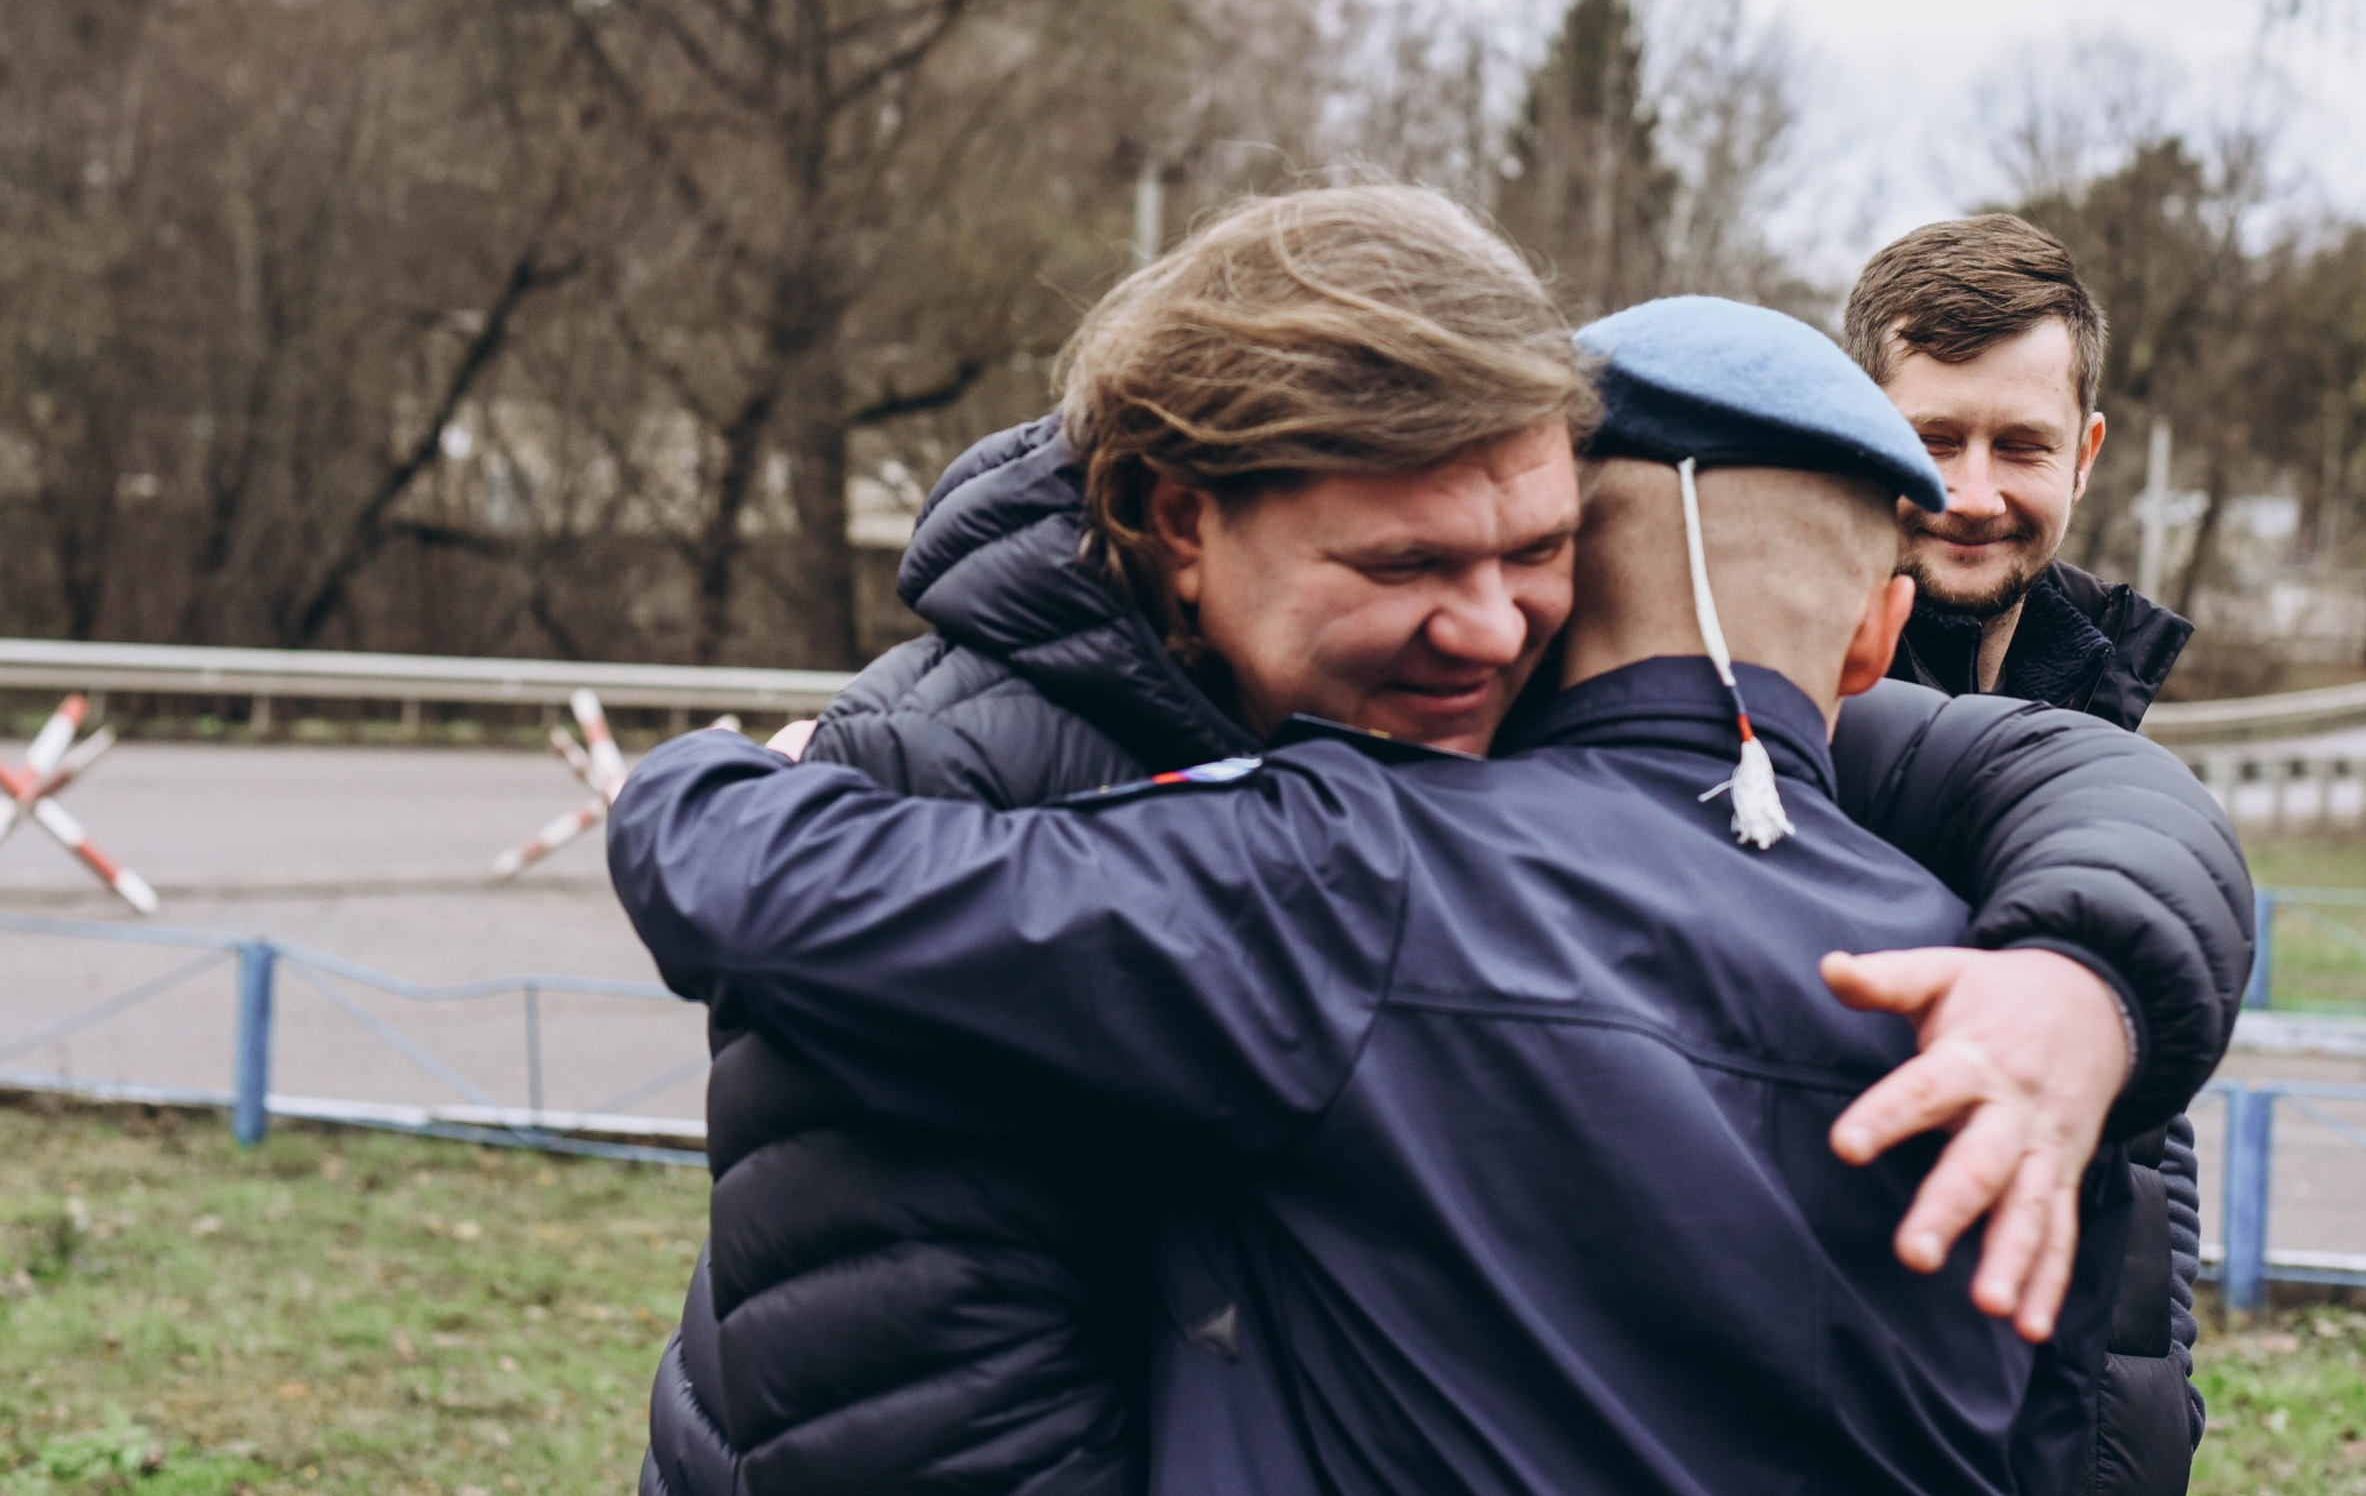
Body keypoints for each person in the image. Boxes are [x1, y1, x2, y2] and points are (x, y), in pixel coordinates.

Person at [633, 187, 2252, 1496]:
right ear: (1184, 523)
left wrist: (2091, 977)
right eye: (1407, 560)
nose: (1485, 630)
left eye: (1537, 555)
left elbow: (2029, 772)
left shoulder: (1972, 944)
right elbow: (896, 1401)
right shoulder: (999, 782)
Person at [1846, 215, 2206, 1496]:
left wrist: (2155, 1423)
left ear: (2087, 456)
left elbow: (2151, 1165)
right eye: (1931, 439)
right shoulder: (1790, 717)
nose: (1975, 489)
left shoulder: (2107, 697)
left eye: (2021, 445)